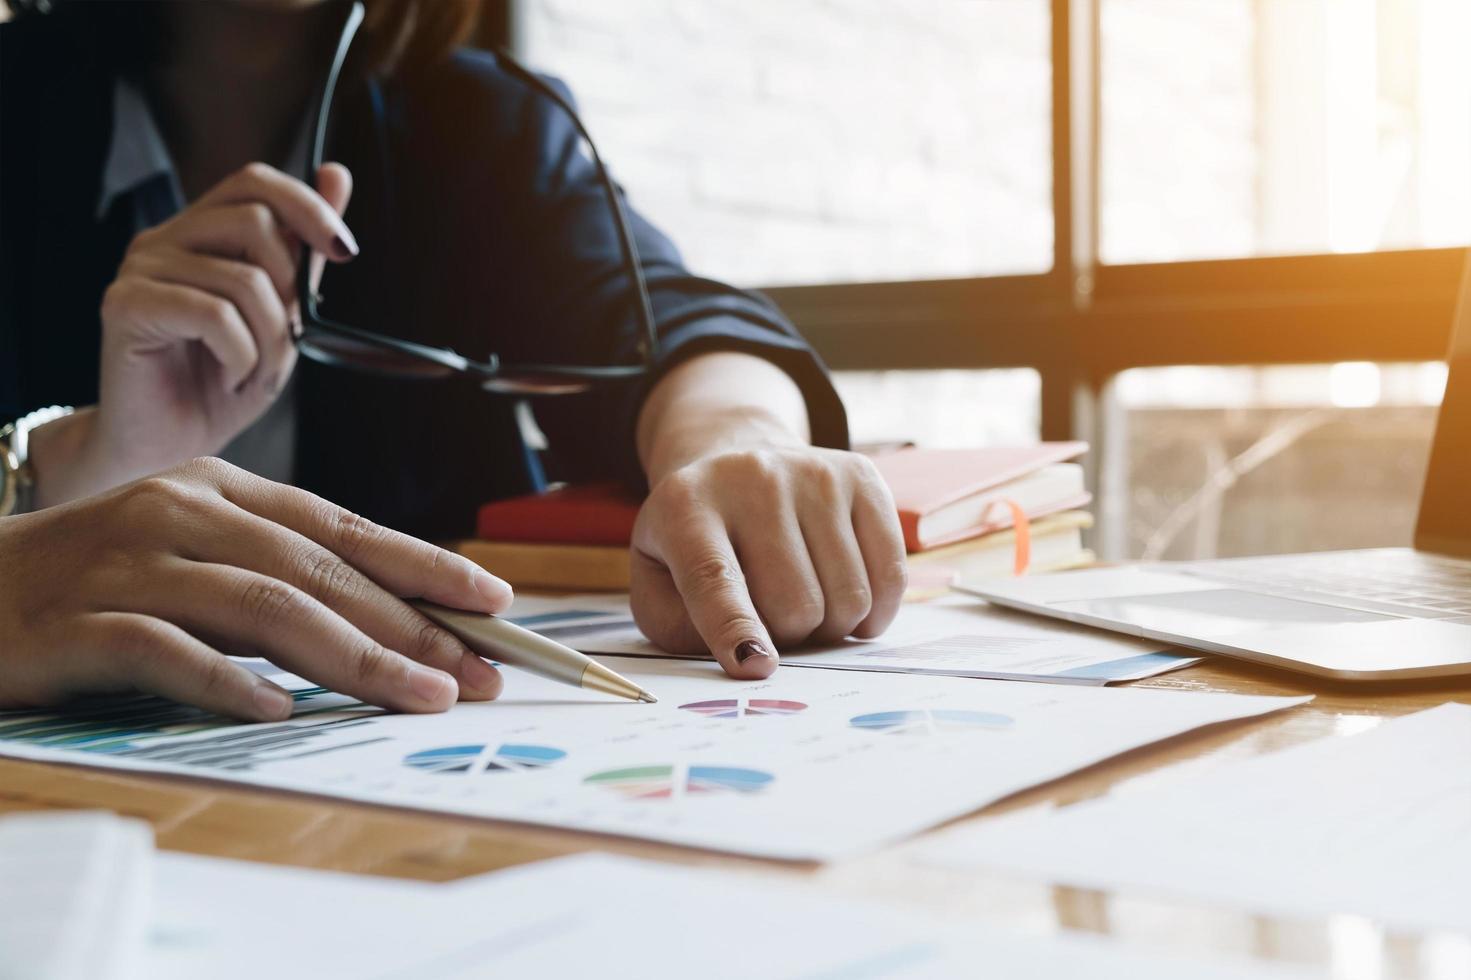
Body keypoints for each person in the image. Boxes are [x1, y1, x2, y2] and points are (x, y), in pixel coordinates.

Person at [0, 0, 906, 721]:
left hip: (386, 752)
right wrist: (86, 465)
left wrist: (732, 438)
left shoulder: (480, 118)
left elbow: (664, 315)